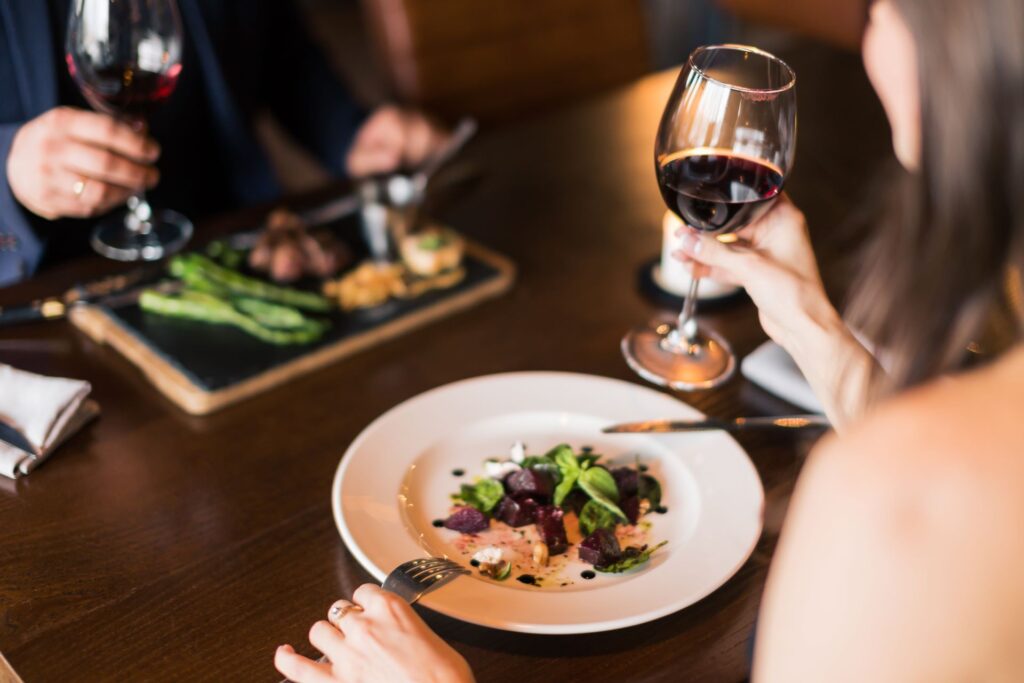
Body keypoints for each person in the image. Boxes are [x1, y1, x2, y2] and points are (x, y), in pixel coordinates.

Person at [274, 0, 1024, 680]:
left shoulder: (889, 497)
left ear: (957, 58)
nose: (872, 27)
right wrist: (810, 324)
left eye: (884, 6)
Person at [0, 0, 448, 286]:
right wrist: (7, 167)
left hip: (232, 254)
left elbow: (279, 45)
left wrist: (351, 133)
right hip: (42, 298)